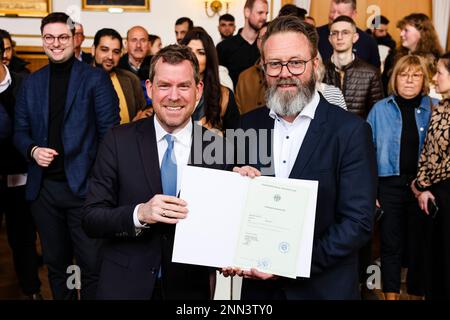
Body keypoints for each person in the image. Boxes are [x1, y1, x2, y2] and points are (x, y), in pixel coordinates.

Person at [224, 16, 377, 299]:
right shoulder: (246, 126)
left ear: (315, 64)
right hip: (259, 294)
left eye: (296, 62)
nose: (285, 73)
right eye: (274, 64)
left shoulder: (350, 131)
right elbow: (230, 211)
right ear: (263, 67)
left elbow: (358, 222)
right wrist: (234, 192)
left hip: (323, 289)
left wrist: (291, 263)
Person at [82, 45, 231, 300]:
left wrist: (248, 186)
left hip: (189, 289)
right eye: (164, 86)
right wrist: (140, 213)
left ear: (198, 91)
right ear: (150, 88)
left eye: (183, 86)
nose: (174, 96)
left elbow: (227, 226)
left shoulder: (220, 149)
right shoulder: (118, 141)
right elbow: (91, 218)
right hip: (124, 286)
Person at [13, 12, 120, 300]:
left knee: (91, 266)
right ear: (42, 40)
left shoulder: (95, 79)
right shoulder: (31, 83)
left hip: (85, 191)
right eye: (49, 37)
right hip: (45, 192)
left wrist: (99, 183)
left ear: (73, 39)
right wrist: (33, 150)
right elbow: (20, 131)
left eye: (62, 37)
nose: (56, 43)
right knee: (57, 266)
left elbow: (110, 134)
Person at [367, 55, 438, 300]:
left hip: (426, 187)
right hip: (389, 185)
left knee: (421, 244)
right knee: (390, 243)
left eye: (415, 75)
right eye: (403, 75)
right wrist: (372, 191)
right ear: (394, 78)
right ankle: (391, 296)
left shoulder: (435, 107)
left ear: (425, 80)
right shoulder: (380, 109)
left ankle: (418, 294)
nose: (409, 81)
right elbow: (368, 152)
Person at [0, 35, 43, 300]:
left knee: (24, 240)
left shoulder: (24, 83)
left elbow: (32, 129)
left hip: (19, 178)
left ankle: (32, 291)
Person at [412, 52, 450, 300]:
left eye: (440, 73)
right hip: (435, 192)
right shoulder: (440, 108)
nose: (434, 78)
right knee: (435, 259)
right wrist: (421, 185)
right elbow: (428, 150)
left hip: (447, 189)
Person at [323, 16, 383, 118]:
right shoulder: (319, 71)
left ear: (355, 37)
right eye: (335, 33)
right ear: (330, 39)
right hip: (326, 132)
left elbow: (377, 115)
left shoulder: (371, 73)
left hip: (358, 132)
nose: (339, 37)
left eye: (345, 32)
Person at [181, 27, 240, 131]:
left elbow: (236, 140)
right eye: (188, 51)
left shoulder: (224, 96)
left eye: (201, 53)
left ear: (209, 58)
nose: (193, 57)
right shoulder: (170, 91)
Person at [92, 28, 150, 123]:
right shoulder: (81, 79)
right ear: (93, 50)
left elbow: (143, 110)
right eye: (104, 50)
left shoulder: (130, 79)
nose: (110, 57)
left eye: (116, 52)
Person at [383, 13, 443, 97]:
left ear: (422, 33)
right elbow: (385, 88)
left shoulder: (438, 60)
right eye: (401, 30)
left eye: (406, 30)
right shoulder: (393, 57)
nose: (401, 34)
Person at [217, 0, 268, 86]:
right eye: (260, 13)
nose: (264, 17)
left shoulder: (266, 46)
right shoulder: (224, 47)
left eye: (266, 13)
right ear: (247, 12)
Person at [316, 0, 380, 68]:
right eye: (332, 11)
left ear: (353, 14)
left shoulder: (368, 42)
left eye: (340, 13)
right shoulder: (315, 35)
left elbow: (375, 74)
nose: (334, 17)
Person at [235, 22, 269, 114]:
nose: (267, 42)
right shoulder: (244, 77)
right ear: (258, 42)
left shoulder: (287, 75)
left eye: (271, 37)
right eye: (263, 38)